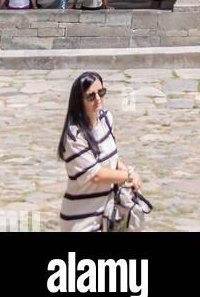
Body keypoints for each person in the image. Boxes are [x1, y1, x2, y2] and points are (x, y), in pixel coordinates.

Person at [58, 71, 141, 231]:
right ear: (79, 101)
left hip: (107, 215)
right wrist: (129, 177)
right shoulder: (74, 137)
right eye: (91, 96)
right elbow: (95, 175)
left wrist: (127, 171)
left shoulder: (106, 119)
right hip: (81, 219)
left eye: (101, 92)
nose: (97, 98)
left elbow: (110, 158)